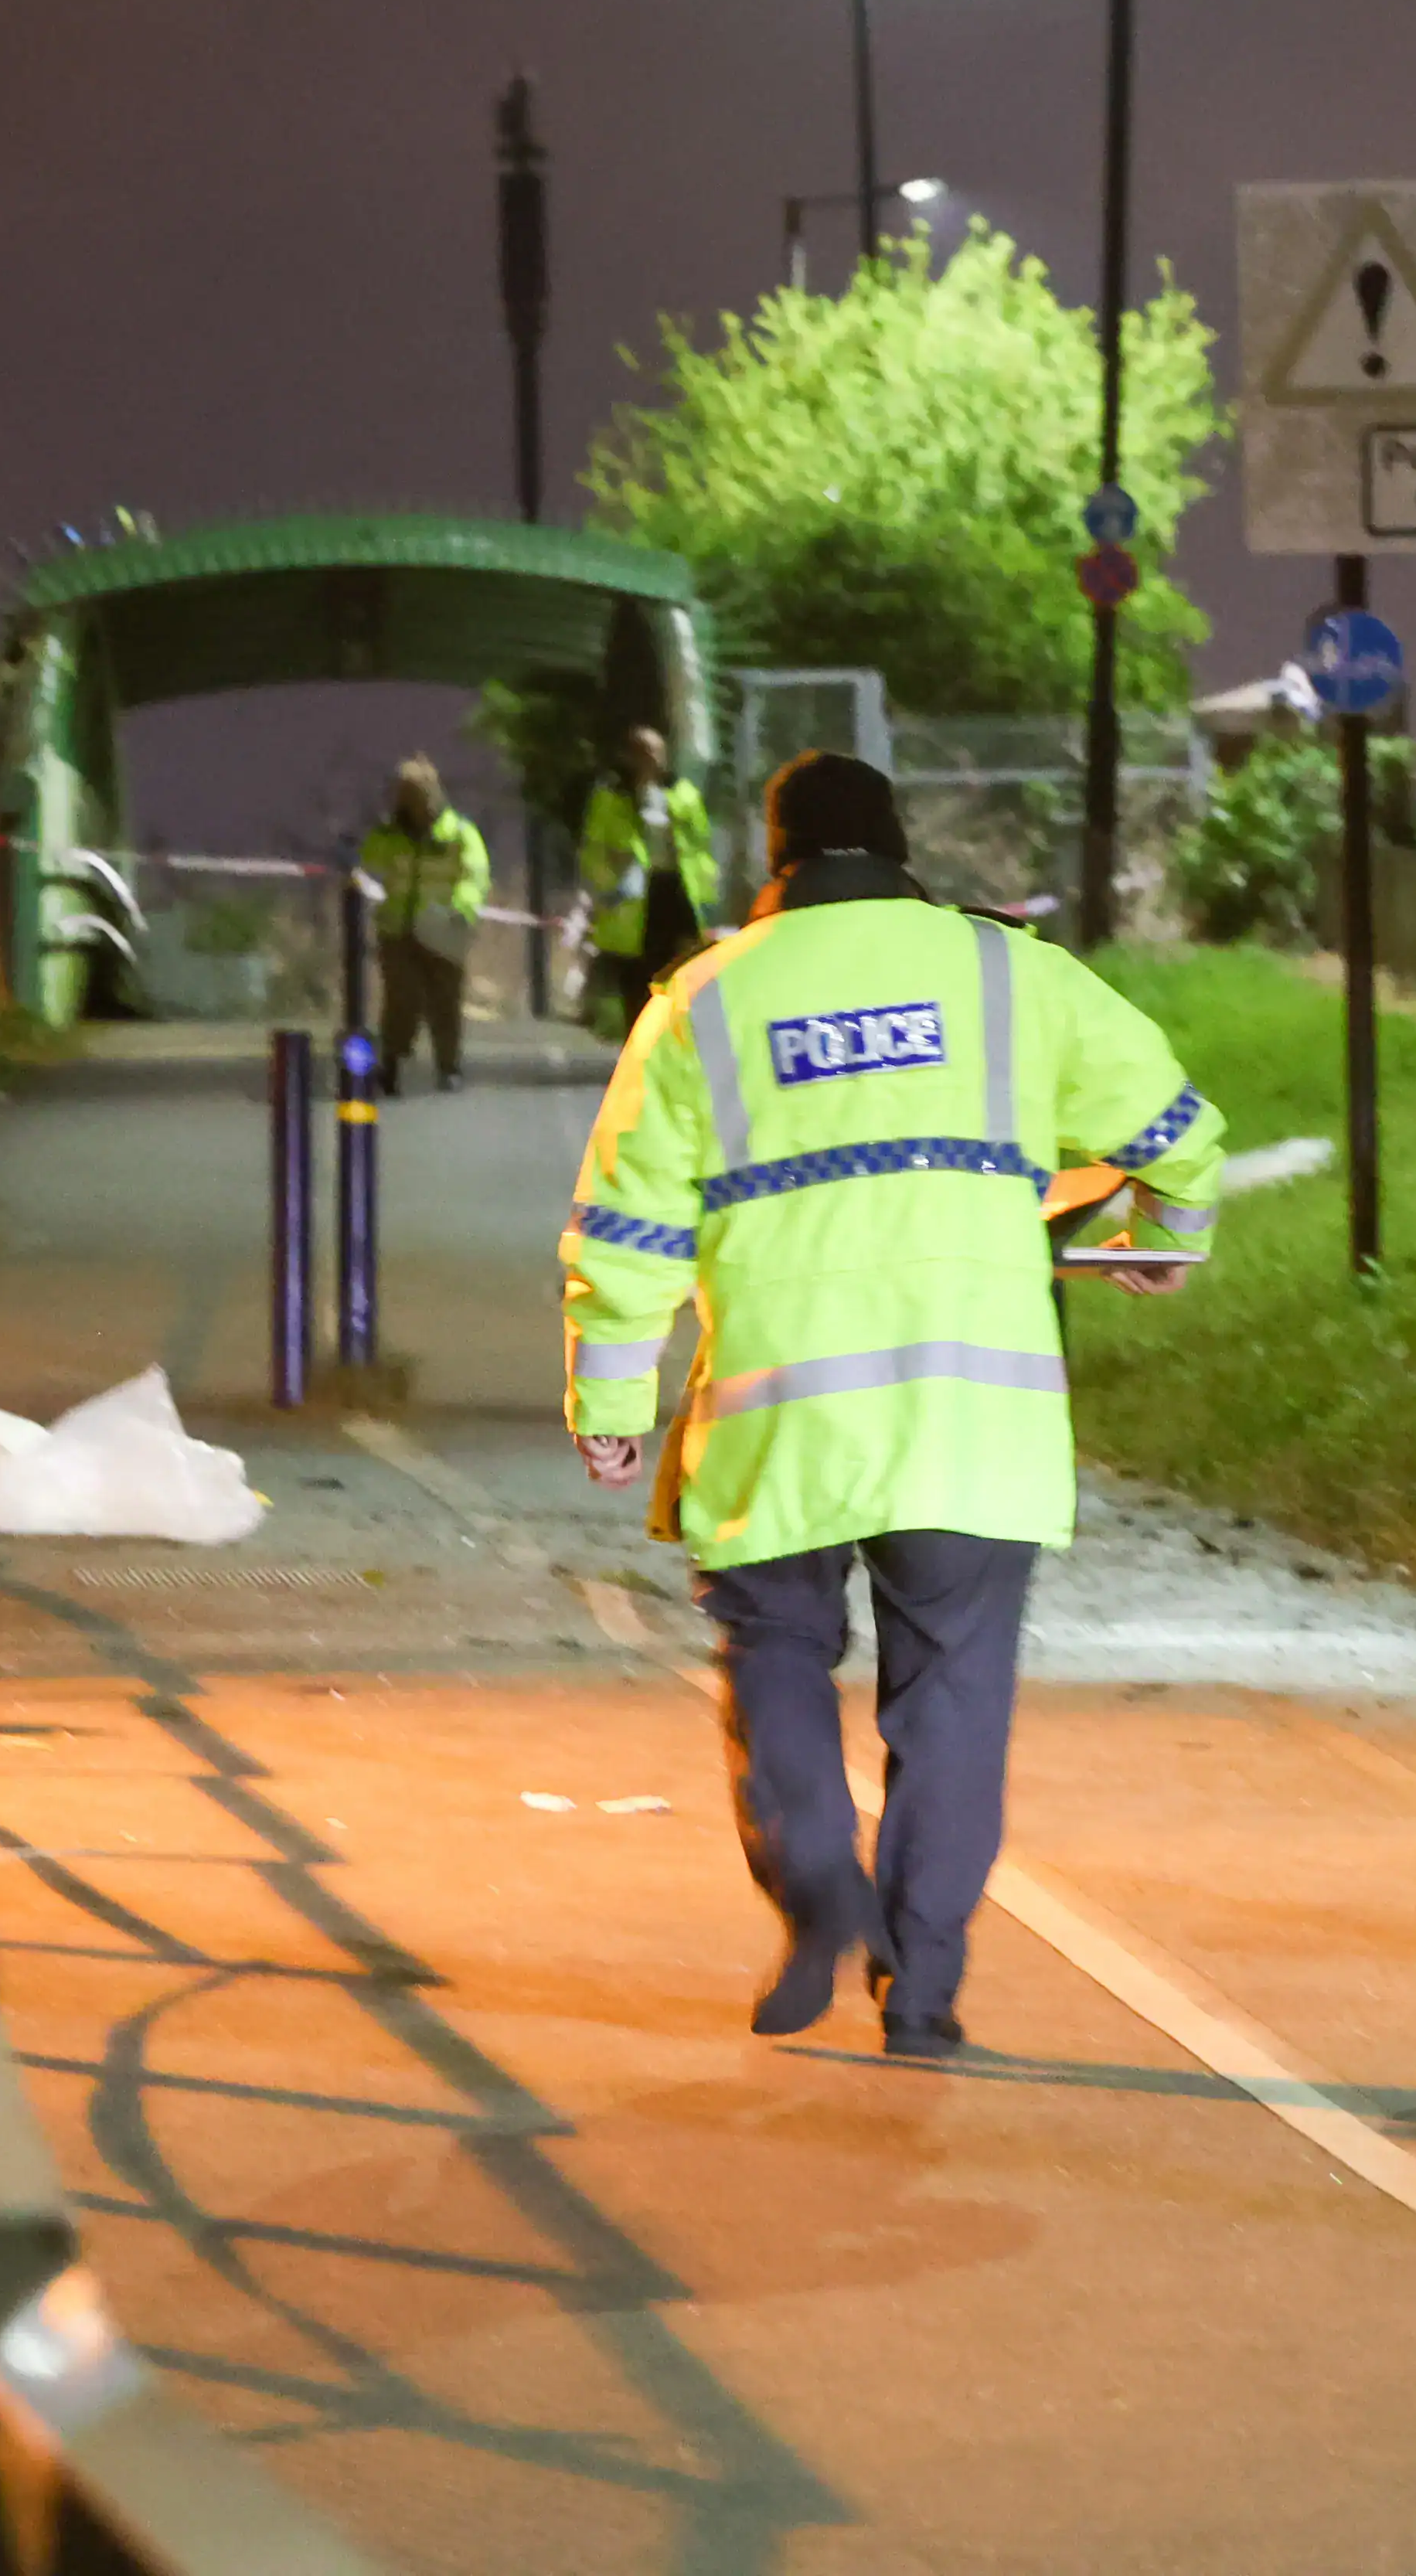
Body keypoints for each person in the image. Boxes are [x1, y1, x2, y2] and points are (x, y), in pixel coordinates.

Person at [560, 751, 1225, 2059]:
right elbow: (1177, 1123)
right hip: (974, 1424)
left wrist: (609, 1395)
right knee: (954, 1702)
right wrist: (1169, 1231)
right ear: (899, 843)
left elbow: (626, 1220)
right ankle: (922, 1988)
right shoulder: (1007, 975)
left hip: (779, 1413)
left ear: (778, 855)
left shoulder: (700, 1004)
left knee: (774, 1650)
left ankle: (817, 1884)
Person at [358, 758, 495, 1094]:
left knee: (445, 1000)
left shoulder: (459, 833)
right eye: (404, 794)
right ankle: (392, 1063)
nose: (410, 802)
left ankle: (449, 1067)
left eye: (416, 794)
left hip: (443, 931)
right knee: (400, 999)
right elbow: (367, 864)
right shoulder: (388, 834)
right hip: (398, 930)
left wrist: (460, 910)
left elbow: (475, 875)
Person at [576, 724, 717, 1033]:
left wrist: (708, 896)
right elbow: (594, 848)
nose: (649, 760)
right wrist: (609, 881)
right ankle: (638, 1050)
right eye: (642, 753)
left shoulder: (683, 794)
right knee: (638, 981)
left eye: (654, 753)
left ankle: (679, 1045)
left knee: (682, 974)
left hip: (677, 893)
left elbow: (701, 846)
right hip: (633, 902)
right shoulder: (611, 797)